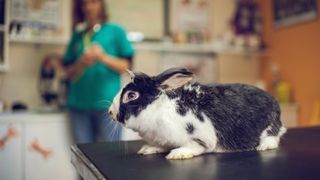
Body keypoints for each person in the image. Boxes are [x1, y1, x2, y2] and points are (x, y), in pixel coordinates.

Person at [63, 0, 134, 143]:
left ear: (101, 4)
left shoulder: (116, 31)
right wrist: (81, 63)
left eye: (93, 2)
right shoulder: (77, 36)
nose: (88, 7)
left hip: (108, 106)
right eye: (84, 3)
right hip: (78, 107)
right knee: (83, 158)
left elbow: (127, 66)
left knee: (111, 156)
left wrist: (102, 57)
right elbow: (68, 74)